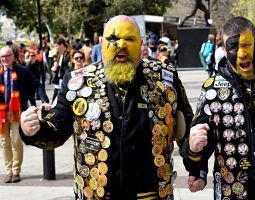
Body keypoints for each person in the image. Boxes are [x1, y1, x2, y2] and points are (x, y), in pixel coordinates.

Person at [20, 15, 195, 200]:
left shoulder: (165, 78)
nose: (121, 45)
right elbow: (58, 128)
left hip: (150, 194)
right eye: (113, 39)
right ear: (102, 43)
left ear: (141, 44)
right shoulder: (77, 82)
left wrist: (196, 166)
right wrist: (33, 131)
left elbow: (187, 130)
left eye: (129, 39)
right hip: (97, 194)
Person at [183, 16, 255, 199]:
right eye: (233, 47)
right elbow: (199, 148)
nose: (242, 55)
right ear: (223, 49)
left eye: (246, 45)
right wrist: (193, 151)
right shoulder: (213, 88)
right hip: (234, 192)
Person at [0, 46, 50, 184]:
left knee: (15, 140)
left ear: (13, 57)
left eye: (7, 56)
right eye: (2, 57)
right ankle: (8, 171)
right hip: (2, 113)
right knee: (4, 142)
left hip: (17, 112)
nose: (4, 59)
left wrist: (44, 100)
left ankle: (16, 171)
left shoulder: (22, 71)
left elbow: (37, 85)